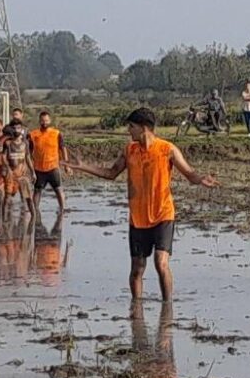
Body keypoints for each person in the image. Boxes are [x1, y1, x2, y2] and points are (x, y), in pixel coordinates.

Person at [63, 107, 219, 301]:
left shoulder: (167, 149)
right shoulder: (129, 150)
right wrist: (83, 166)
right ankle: (136, 308)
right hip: (138, 218)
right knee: (137, 268)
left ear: (144, 128)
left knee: (161, 263)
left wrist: (201, 179)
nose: (129, 130)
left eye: (131, 126)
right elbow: (111, 173)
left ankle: (167, 306)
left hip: (163, 214)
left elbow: (189, 173)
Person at [29, 111, 68, 214]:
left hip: (53, 167)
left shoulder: (56, 133)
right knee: (37, 190)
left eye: (46, 120)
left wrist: (66, 165)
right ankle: (35, 211)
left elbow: (63, 148)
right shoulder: (33, 135)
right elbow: (28, 152)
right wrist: (28, 167)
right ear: (39, 121)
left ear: (50, 121)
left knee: (58, 189)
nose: (44, 122)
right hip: (39, 168)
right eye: (42, 120)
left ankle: (63, 209)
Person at [1, 123, 34, 216]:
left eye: (18, 128)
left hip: (22, 174)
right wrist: (7, 168)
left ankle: (34, 217)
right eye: (14, 128)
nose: (16, 130)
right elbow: (3, 157)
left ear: (21, 130)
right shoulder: (7, 143)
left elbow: (28, 158)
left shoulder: (25, 143)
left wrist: (33, 172)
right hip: (11, 174)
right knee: (7, 197)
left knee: (28, 197)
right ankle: (3, 219)